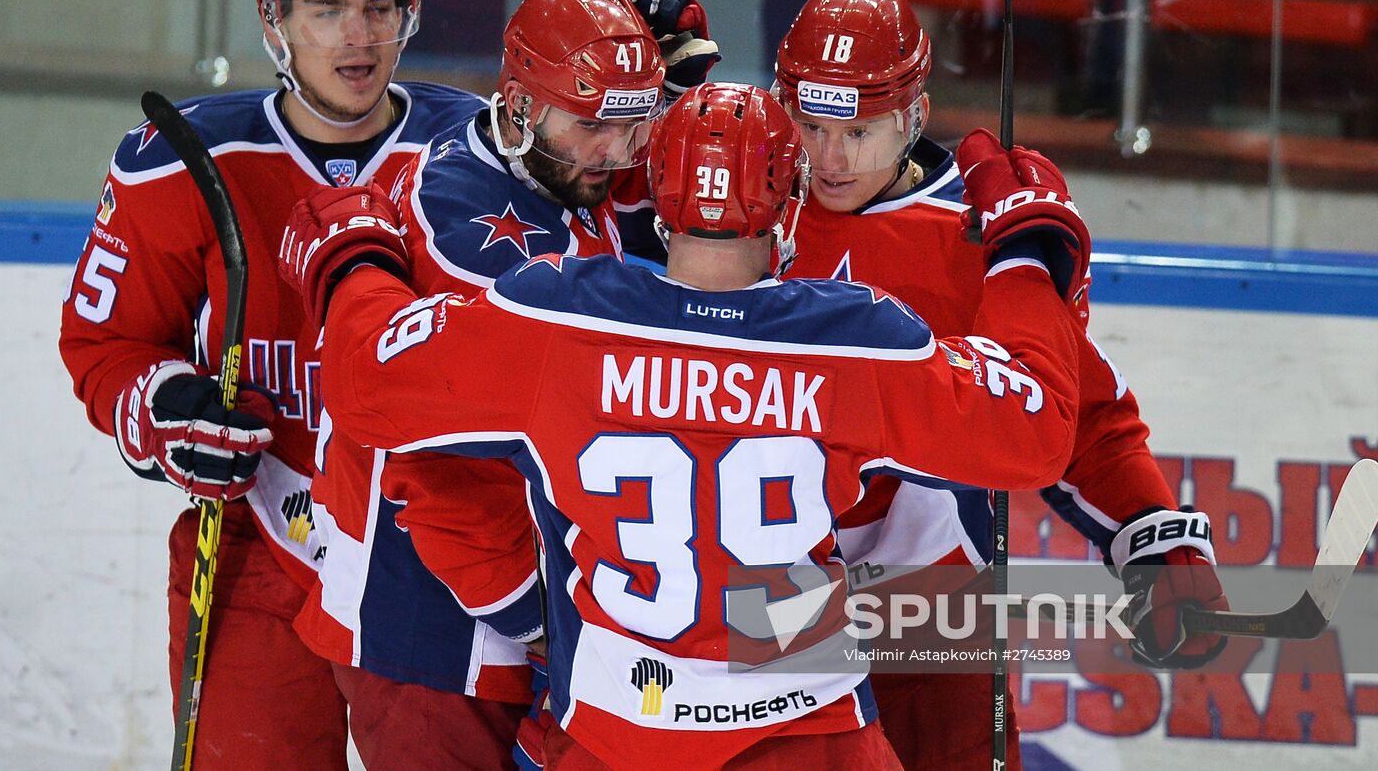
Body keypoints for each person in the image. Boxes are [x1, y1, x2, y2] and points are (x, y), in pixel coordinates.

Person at [277, 81, 1093, 769]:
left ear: (655, 194)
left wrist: (356, 260)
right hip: (804, 706)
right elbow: (1037, 431)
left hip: (618, 718)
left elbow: (367, 379)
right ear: (790, 198)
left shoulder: (553, 314)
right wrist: (1029, 252)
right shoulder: (855, 336)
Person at [58, 0, 499, 769]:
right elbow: (105, 347)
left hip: (431, 553)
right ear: (274, 18)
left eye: (378, 4)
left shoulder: (476, 152)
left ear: (408, 10)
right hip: (258, 542)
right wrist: (166, 407)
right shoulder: (182, 158)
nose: (357, 37)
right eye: (325, 9)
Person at [772, 0, 1229, 769]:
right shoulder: (743, 202)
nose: (829, 158)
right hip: (757, 606)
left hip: (925, 608)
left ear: (914, 116)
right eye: (809, 126)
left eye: (857, 129)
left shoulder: (982, 234)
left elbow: (1079, 413)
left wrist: (1150, 536)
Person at [295, 0, 722, 769]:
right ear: (523, 108)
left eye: (632, 125)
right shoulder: (473, 246)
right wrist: (549, 625)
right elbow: (446, 480)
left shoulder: (552, 161)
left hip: (500, 602)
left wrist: (639, 42)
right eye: (596, 125)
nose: (616, 152)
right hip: (428, 624)